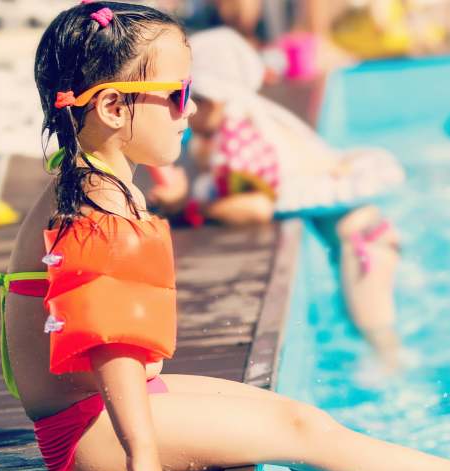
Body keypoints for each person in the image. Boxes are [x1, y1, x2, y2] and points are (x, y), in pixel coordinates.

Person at [0, 1, 450, 471]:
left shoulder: (95, 180)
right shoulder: (98, 200)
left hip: (102, 410)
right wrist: (143, 461)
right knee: (306, 439)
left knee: (308, 424)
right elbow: (112, 345)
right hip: (86, 433)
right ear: (114, 107)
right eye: (177, 95)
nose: (190, 109)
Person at [152, 27, 404, 367]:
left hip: (362, 244)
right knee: (368, 337)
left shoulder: (240, 139)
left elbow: (257, 207)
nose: (186, 111)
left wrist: (193, 206)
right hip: (363, 237)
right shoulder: (247, 121)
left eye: (187, 99)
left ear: (214, 98)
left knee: (381, 345)